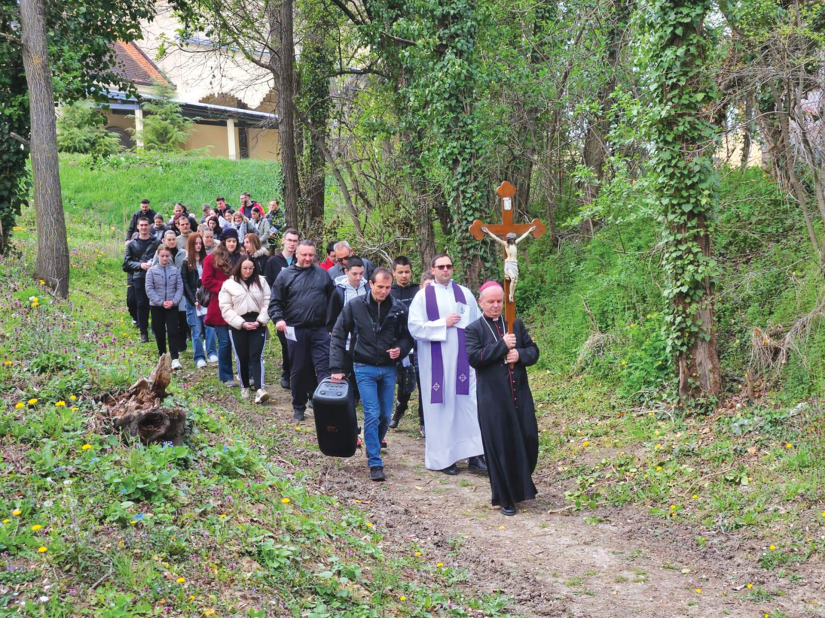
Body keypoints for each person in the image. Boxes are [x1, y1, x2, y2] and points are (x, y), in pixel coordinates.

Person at [407, 253, 487, 475]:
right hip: (436, 365)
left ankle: (475, 455)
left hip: (463, 362)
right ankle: (444, 458)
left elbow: (477, 322)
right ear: (432, 270)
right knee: (441, 408)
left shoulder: (465, 294)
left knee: (468, 405)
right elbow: (414, 327)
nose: (445, 270)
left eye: (449, 266)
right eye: (441, 267)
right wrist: (444, 323)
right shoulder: (423, 297)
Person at [465, 281, 540, 516]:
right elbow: (474, 358)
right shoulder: (473, 329)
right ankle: (505, 498)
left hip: (519, 393)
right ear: (481, 303)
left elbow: (534, 351)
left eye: (499, 301)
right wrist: (502, 346)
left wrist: (520, 354)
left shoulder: (514, 323)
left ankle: (520, 488)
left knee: (528, 438)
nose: (496, 306)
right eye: (491, 302)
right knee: (500, 447)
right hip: (493, 400)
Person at [331, 268, 413, 482]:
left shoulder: (399, 308)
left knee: (386, 415)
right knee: (372, 413)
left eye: (388, 287)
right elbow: (339, 333)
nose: (384, 292)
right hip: (363, 365)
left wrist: (400, 350)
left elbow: (407, 338)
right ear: (370, 284)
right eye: (380, 287)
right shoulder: (355, 306)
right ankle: (375, 462)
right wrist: (337, 368)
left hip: (387, 368)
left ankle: (372, 445)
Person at [268, 239, 334, 421]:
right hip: (296, 330)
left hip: (320, 330)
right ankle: (298, 406)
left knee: (324, 368)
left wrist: (332, 326)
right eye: (304, 255)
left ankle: (325, 406)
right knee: (298, 369)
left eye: (311, 255)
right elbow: (274, 303)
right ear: (296, 254)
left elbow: (333, 302)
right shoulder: (285, 276)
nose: (307, 258)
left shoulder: (322, 274)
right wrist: (279, 319)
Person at [220, 258, 271, 403]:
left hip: (257, 322)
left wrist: (261, 320)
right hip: (238, 324)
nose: (248, 271)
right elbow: (225, 307)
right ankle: (245, 386)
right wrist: (241, 323)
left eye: (251, 268)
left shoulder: (262, 281)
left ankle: (260, 388)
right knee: (242, 357)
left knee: (256, 356)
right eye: (245, 268)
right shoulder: (229, 284)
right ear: (239, 268)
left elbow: (268, 301)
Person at [203, 228, 243, 386]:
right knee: (225, 342)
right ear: (224, 242)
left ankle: (244, 374)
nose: (232, 244)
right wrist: (227, 287)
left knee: (240, 342)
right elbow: (207, 280)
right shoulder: (211, 259)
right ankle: (226, 376)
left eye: (234, 241)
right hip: (220, 305)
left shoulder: (242, 258)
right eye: (229, 241)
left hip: (239, 305)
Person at [389, 256, 423, 432]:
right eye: (400, 272)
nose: (404, 276)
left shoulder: (419, 290)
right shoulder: (389, 291)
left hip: (419, 342)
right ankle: (398, 413)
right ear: (394, 273)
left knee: (423, 382)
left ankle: (423, 421)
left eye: (407, 272)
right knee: (405, 382)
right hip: (399, 343)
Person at [264, 228, 299, 389]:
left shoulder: (301, 260)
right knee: (286, 343)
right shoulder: (273, 262)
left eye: (295, 241)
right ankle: (287, 372)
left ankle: (296, 374)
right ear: (283, 241)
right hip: (283, 310)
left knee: (298, 344)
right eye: (289, 240)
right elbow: (269, 287)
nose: (292, 244)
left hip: (299, 309)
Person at [145, 245, 184, 370]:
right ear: (158, 256)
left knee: (173, 331)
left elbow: (179, 288)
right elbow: (149, 289)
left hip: (172, 305)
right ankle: (162, 356)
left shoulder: (175, 271)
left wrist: (173, 301)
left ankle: (175, 358)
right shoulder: (151, 271)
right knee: (160, 332)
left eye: (167, 256)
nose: (165, 258)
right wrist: (161, 302)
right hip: (157, 306)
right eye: (162, 256)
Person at [182, 233, 218, 368]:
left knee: (210, 328)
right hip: (193, 301)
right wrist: (193, 300)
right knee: (196, 330)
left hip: (207, 299)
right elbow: (185, 283)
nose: (198, 246)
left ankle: (211, 352)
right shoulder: (186, 263)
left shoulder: (207, 260)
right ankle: (198, 356)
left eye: (199, 243)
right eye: (195, 244)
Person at [123, 217, 160, 343]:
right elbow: (126, 263)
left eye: (146, 225)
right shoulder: (132, 244)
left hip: (155, 277)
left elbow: (163, 257)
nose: (144, 227)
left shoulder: (157, 242)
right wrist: (140, 265)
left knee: (155, 304)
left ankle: (156, 329)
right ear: (138, 227)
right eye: (141, 225)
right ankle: (143, 332)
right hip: (139, 277)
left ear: (150, 226)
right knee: (141, 305)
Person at [152, 230, 189, 354]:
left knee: (181, 320)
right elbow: (152, 274)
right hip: (163, 295)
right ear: (164, 240)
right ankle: (164, 350)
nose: (172, 242)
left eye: (174, 239)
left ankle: (180, 346)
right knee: (165, 325)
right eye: (170, 240)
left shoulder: (183, 253)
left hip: (180, 291)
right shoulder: (159, 255)